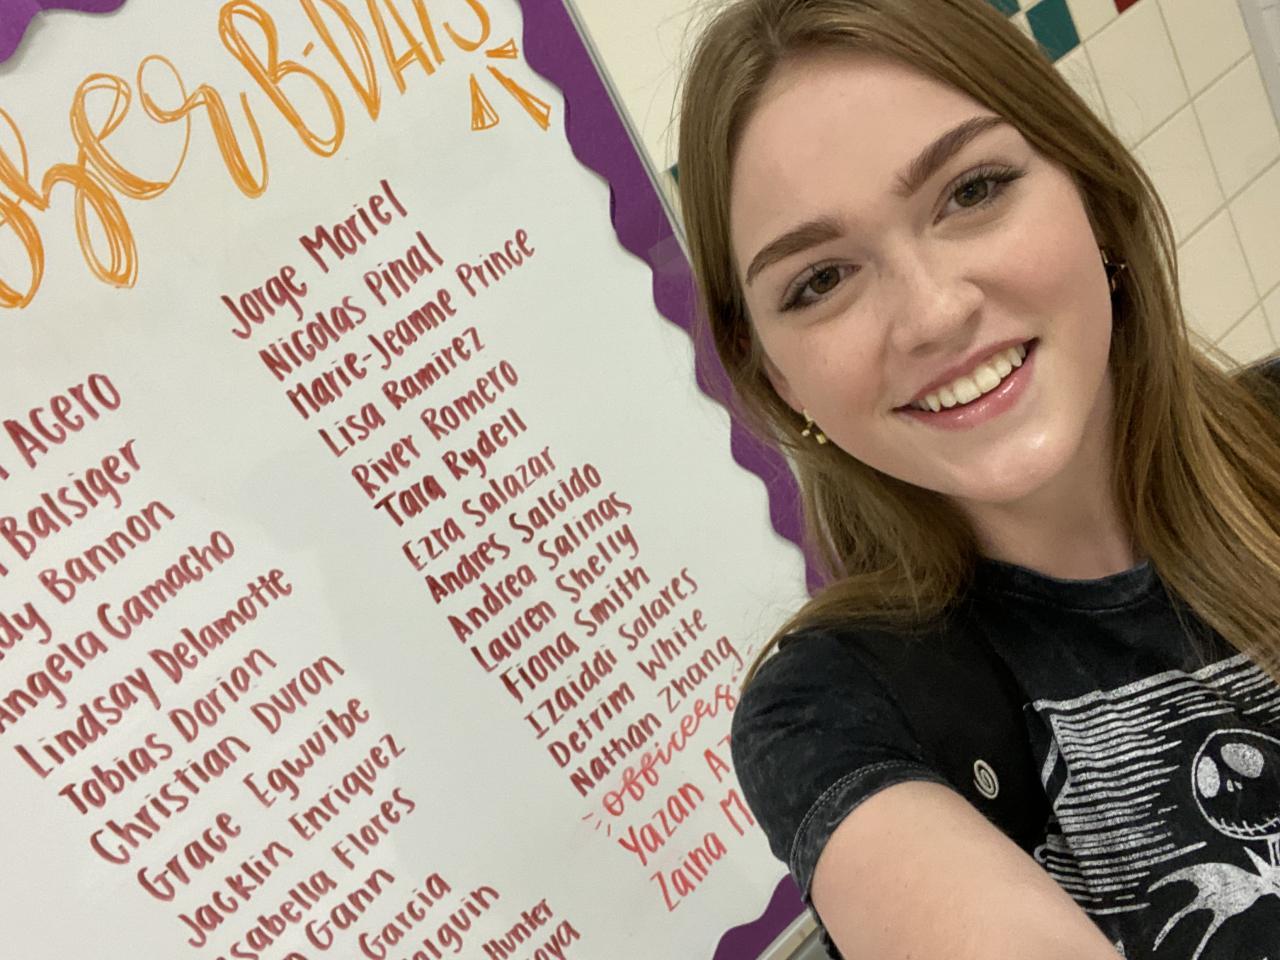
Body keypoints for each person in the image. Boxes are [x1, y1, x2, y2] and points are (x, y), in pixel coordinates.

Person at [675, 0, 1280, 957]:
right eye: (821, 281)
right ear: (779, 378)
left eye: (973, 190)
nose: (933, 315)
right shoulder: (838, 713)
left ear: (1089, 191)